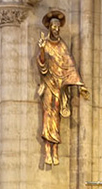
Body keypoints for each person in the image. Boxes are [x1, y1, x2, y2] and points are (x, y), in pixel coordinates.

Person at [36, 10, 86, 166]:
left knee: (56, 116)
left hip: (59, 87)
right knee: (47, 115)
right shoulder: (46, 45)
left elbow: (69, 65)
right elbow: (42, 66)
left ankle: (55, 150)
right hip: (49, 84)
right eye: (53, 26)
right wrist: (42, 49)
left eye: (58, 26)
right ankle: (47, 149)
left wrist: (79, 85)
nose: (56, 29)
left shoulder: (62, 46)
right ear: (49, 28)